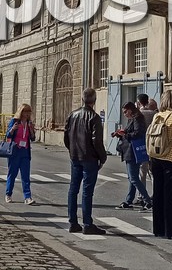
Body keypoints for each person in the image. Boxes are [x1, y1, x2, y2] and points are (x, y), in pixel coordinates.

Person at [64, 89, 108, 235]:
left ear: (82, 99)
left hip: (75, 156)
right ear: (94, 101)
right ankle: (87, 223)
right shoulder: (94, 118)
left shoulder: (72, 115)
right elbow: (97, 140)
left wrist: (71, 150)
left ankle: (72, 222)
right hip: (89, 158)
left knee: (73, 189)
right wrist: (102, 157)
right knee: (87, 192)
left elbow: (66, 136)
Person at [149, 89, 172, 239]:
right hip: (171, 158)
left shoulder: (157, 116)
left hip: (156, 157)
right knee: (170, 195)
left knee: (157, 193)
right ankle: (171, 231)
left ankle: (158, 228)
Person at [114, 102, 152, 209]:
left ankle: (147, 200)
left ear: (131, 109)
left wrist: (125, 135)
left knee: (134, 178)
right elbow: (129, 131)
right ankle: (129, 200)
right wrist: (119, 133)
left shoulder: (137, 118)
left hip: (133, 151)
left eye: (126, 111)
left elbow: (138, 133)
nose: (125, 114)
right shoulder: (132, 119)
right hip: (129, 151)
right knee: (132, 177)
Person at [4, 103, 36, 205]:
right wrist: (13, 129)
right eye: (25, 112)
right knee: (12, 174)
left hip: (25, 152)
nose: (27, 114)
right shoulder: (15, 121)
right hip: (15, 151)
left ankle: (28, 197)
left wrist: (31, 131)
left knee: (25, 176)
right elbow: (8, 135)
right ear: (21, 112)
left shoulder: (29, 123)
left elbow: (33, 138)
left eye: (28, 112)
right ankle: (8, 194)